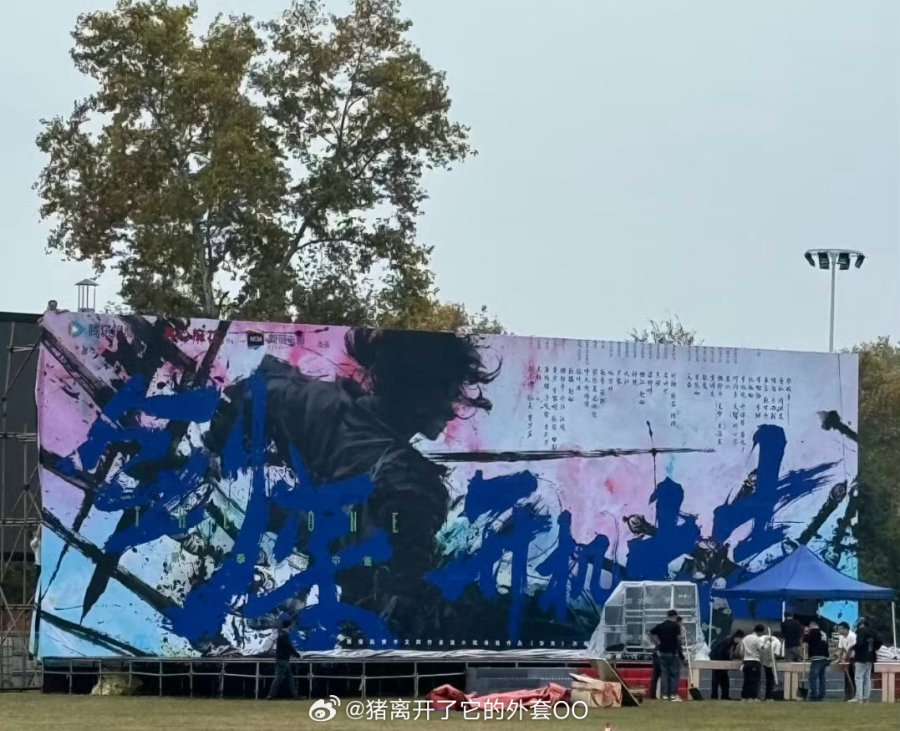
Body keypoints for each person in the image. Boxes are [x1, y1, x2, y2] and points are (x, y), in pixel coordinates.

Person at [649, 610, 683, 701]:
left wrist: (657, 641)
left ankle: (664, 694)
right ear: (675, 616)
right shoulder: (676, 626)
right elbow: (679, 639)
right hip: (673, 652)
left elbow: (650, 633)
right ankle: (673, 694)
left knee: (664, 674)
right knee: (674, 674)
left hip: (662, 652)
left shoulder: (660, 626)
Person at [850, 617, 882, 703]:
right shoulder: (872, 631)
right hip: (871, 656)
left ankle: (858, 697)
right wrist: (874, 649)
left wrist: (853, 648)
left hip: (861, 657)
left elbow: (858, 643)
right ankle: (866, 697)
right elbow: (879, 642)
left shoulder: (861, 631)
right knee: (867, 678)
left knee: (858, 677)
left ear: (860, 624)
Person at [267, 617, 300, 699]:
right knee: (279, 678)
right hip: (282, 660)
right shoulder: (284, 635)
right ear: (289, 626)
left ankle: (295, 695)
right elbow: (289, 647)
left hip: (282, 659)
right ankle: (271, 694)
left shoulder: (281, 634)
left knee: (289, 678)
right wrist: (297, 655)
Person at [709, 629, 744, 700]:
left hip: (720, 662)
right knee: (718, 680)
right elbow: (722, 652)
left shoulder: (731, 642)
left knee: (722, 680)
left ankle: (721, 696)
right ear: (737, 637)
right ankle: (717, 696)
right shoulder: (727, 642)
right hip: (719, 662)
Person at [740, 624, 770, 702]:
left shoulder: (745, 638)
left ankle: (744, 697)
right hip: (755, 661)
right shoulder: (757, 639)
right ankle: (753, 697)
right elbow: (762, 648)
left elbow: (741, 652)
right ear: (761, 632)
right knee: (754, 680)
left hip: (746, 661)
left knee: (746, 680)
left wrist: (743, 661)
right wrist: (767, 642)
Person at [802, 619, 830, 702]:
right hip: (825, 656)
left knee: (813, 677)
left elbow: (806, 640)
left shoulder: (813, 632)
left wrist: (806, 632)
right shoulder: (823, 633)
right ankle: (821, 695)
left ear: (812, 625)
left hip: (817, 657)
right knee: (822, 677)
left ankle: (813, 695)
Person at [835, 621, 856, 701]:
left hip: (853, 658)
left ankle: (854, 694)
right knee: (847, 677)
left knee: (853, 677)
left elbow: (850, 649)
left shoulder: (852, 636)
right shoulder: (841, 637)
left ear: (846, 629)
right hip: (846, 658)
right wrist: (839, 657)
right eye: (838, 629)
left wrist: (845, 659)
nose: (839, 631)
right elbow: (841, 648)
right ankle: (847, 695)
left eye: (841, 629)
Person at [760, 631, 781, 701]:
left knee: (759, 679)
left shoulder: (761, 638)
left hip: (759, 660)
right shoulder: (778, 642)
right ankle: (768, 697)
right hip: (768, 662)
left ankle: (759, 696)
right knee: (770, 679)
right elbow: (775, 655)